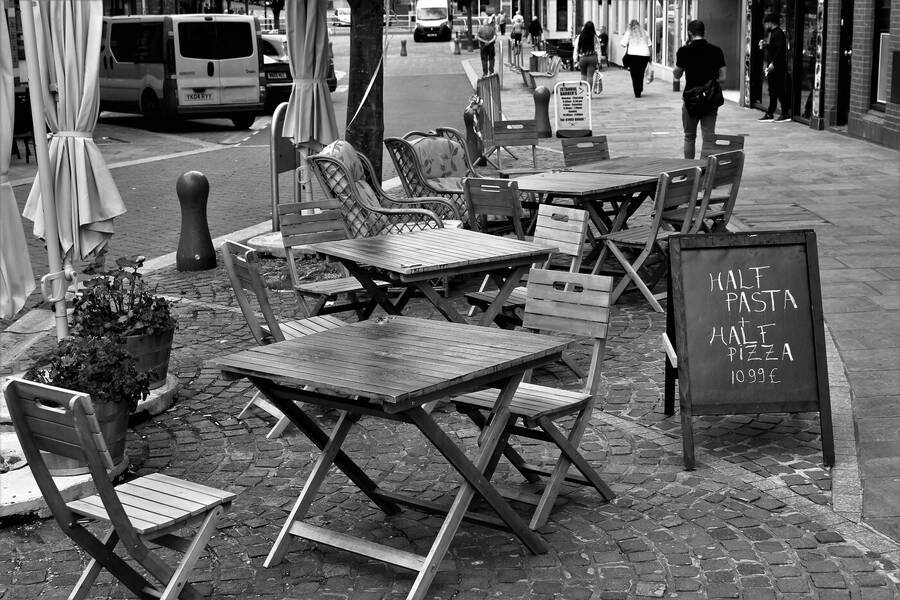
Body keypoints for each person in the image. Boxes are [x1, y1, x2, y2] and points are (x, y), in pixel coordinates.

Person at [673, 19, 727, 159]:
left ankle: (690, 170)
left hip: (691, 100)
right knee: (709, 138)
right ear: (704, 32)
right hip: (710, 99)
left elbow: (677, 75)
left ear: (689, 33)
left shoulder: (684, 51)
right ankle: (705, 170)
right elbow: (723, 77)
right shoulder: (716, 50)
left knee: (689, 137)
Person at [758, 13, 789, 122]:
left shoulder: (778, 34)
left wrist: (773, 64)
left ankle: (779, 113)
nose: (764, 26)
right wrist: (765, 45)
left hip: (777, 68)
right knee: (774, 91)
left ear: (770, 23)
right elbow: (774, 49)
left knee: (777, 90)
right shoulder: (773, 33)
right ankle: (773, 112)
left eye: (765, 23)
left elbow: (780, 51)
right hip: (774, 67)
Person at [620, 20, 652, 97]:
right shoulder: (645, 32)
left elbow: (622, 44)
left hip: (633, 55)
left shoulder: (629, 32)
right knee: (641, 73)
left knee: (634, 74)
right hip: (644, 55)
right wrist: (650, 57)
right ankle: (640, 88)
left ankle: (637, 92)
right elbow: (650, 46)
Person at [574, 21, 601, 88]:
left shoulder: (580, 36)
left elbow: (576, 48)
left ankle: (583, 92)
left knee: (583, 75)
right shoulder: (595, 37)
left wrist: (575, 59)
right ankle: (589, 93)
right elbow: (598, 49)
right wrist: (599, 60)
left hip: (583, 58)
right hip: (592, 57)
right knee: (590, 76)